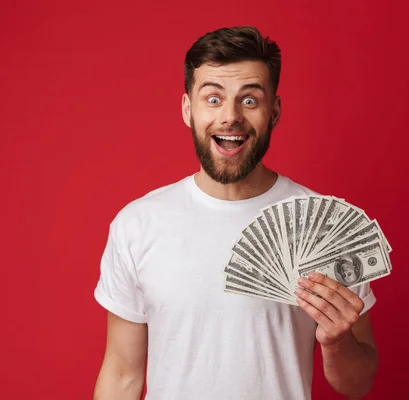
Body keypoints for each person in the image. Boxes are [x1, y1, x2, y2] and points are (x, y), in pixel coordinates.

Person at [92, 26, 379, 400]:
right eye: (213, 98)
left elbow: (359, 384)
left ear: (273, 112)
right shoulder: (137, 224)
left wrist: (336, 342)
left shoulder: (326, 227)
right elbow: (121, 374)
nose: (230, 117)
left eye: (249, 100)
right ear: (187, 109)